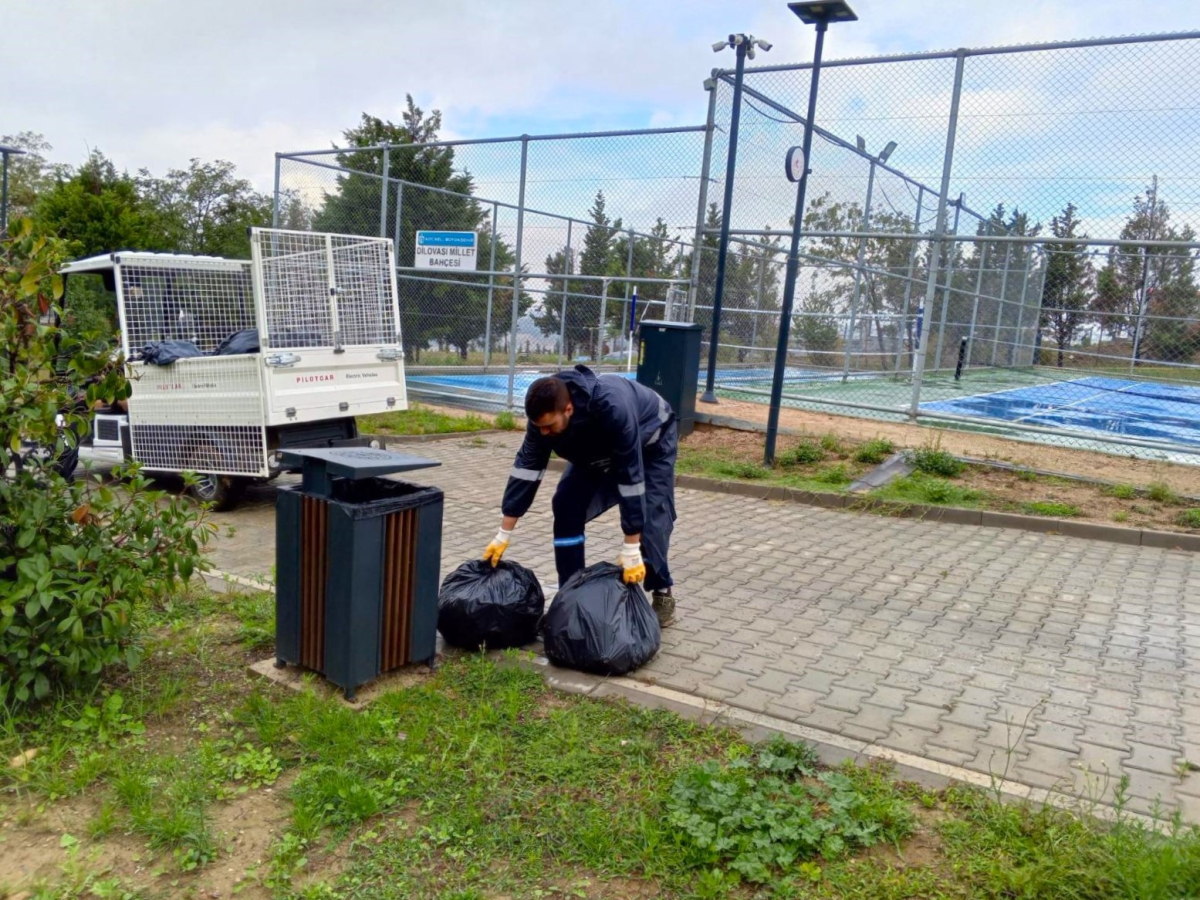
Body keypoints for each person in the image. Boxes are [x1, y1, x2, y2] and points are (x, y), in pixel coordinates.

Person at [483, 364, 679, 627]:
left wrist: (631, 546)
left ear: (568, 409)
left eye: (549, 426)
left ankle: (662, 591)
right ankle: (571, 597)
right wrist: (503, 533)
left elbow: (630, 477)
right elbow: (526, 471)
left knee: (651, 522)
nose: (544, 433)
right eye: (539, 427)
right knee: (566, 506)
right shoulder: (543, 420)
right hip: (598, 448)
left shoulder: (612, 407)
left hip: (651, 441)